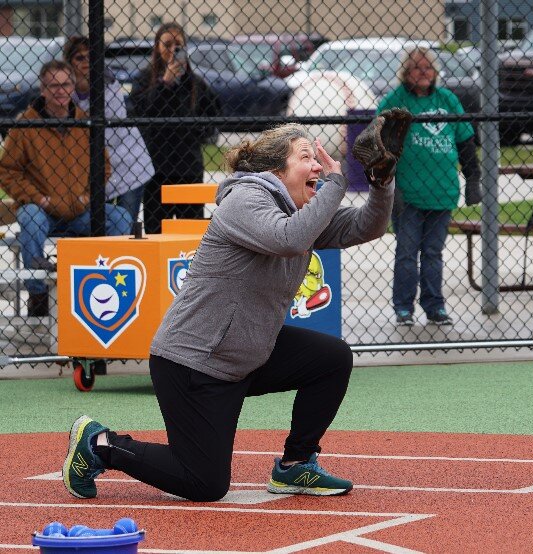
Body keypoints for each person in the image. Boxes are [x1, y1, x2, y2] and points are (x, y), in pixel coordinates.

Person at [62, 123, 394, 501]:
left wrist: (381, 180)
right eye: (306, 157)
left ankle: (297, 464)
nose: (318, 165)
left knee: (331, 358)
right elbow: (289, 239)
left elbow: (369, 226)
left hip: (245, 355)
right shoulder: (245, 200)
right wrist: (337, 182)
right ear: (274, 170)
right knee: (204, 484)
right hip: (194, 363)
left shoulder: (301, 212)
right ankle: (99, 444)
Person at [0, 60, 132, 317]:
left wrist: (88, 196)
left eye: (66, 84)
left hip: (80, 211)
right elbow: (7, 171)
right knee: (29, 217)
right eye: (54, 85)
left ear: (73, 87)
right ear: (43, 90)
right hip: (44, 211)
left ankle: (106, 282)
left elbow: (103, 167)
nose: (61, 90)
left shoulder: (85, 122)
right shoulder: (26, 125)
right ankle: (38, 294)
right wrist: (38, 198)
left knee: (121, 217)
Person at [378, 46, 480, 327]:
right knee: (407, 253)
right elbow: (382, 147)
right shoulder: (395, 101)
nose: (424, 73)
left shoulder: (447, 99)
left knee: (433, 254)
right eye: (417, 68)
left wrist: (473, 178)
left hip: (443, 191)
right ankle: (403, 307)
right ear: (406, 73)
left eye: (429, 68)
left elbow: (465, 142)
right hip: (408, 194)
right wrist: (390, 186)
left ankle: (434, 306)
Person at [130, 22, 221, 234]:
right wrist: (165, 83)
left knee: (191, 231)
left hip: (188, 166)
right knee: (156, 229)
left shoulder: (195, 83)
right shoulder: (144, 79)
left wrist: (197, 133)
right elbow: (142, 112)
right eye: (167, 45)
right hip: (155, 167)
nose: (172, 50)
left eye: (178, 45)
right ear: (157, 48)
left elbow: (213, 115)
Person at [63, 36, 155, 229]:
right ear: (69, 61)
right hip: (94, 171)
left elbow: (112, 135)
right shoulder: (65, 89)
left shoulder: (108, 82)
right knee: (99, 225)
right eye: (79, 58)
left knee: (125, 225)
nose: (86, 62)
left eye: (90, 57)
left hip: (129, 166)